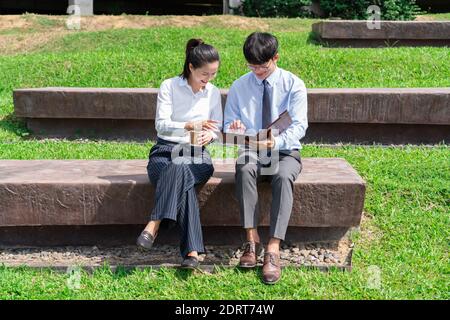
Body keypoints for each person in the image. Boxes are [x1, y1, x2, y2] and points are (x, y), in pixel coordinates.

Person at [224, 32, 308, 284]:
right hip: (252, 149)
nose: (257, 71)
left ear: (276, 58)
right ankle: (251, 240)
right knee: (244, 166)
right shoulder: (240, 86)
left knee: (283, 176)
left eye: (262, 66)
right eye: (252, 66)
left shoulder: (294, 84)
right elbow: (228, 124)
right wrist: (236, 127)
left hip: (285, 151)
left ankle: (273, 248)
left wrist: (276, 141)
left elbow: (299, 125)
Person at [136, 38, 223, 269]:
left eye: (214, 74)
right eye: (205, 73)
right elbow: (161, 126)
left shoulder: (213, 92)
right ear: (191, 67)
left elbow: (217, 126)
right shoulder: (169, 86)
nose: (209, 79)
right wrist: (189, 126)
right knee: (180, 173)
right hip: (165, 150)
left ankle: (154, 224)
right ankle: (192, 252)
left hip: (197, 153)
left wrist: (210, 136)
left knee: (181, 166)